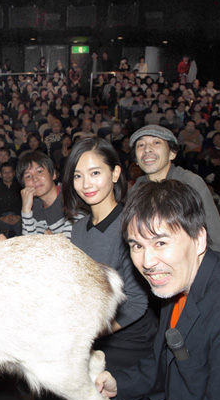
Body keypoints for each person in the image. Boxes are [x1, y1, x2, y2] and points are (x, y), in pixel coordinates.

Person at [95, 179, 220, 400]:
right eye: (137, 246)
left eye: (160, 242)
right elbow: (167, 361)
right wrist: (119, 383)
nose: (147, 263)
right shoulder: (177, 280)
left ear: (199, 239)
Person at [62, 138, 157, 372]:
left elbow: (136, 303)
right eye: (78, 176)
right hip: (95, 331)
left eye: (95, 173)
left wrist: (89, 334)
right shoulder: (78, 228)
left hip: (127, 338)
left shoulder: (130, 226)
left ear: (115, 174)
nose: (86, 184)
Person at [129, 124, 220, 259]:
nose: (147, 149)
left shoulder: (190, 183)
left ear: (172, 153)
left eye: (156, 142)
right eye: (140, 145)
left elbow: (216, 236)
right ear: (136, 160)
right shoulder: (136, 190)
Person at [16, 150, 77, 237]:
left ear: (54, 174)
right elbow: (30, 244)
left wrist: (49, 240)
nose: (34, 179)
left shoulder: (71, 195)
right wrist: (25, 210)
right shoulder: (35, 206)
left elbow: (70, 244)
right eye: (28, 176)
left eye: (39, 172)